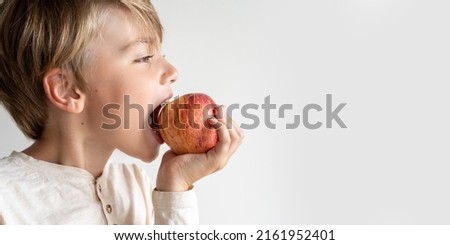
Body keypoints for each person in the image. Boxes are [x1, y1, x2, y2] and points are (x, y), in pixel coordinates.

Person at [0, 0, 243, 224]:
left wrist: (175, 188)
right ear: (67, 90)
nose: (172, 71)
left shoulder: (135, 185)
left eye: (162, 55)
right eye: (144, 57)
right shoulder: (8, 201)